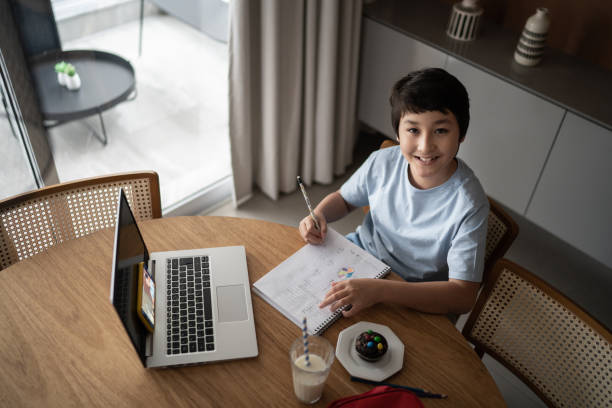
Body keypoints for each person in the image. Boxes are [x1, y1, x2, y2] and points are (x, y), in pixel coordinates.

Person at [299, 68, 489, 317]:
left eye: (441, 131)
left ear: (461, 135)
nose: (425, 146)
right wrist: (319, 214)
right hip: (359, 262)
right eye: (413, 130)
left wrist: (380, 291)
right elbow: (344, 200)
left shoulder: (470, 205)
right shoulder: (383, 162)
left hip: (413, 295)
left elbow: (463, 296)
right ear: (397, 132)